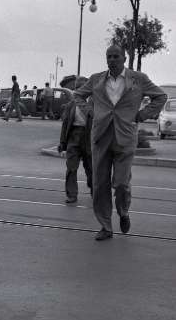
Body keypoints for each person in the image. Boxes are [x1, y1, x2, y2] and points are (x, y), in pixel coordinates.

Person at [75, 45, 167, 241]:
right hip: (101, 137)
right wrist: (91, 111)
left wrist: (142, 115)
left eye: (116, 56)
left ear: (124, 58)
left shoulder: (138, 79)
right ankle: (105, 225)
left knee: (121, 183)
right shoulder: (96, 79)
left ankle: (123, 212)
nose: (112, 60)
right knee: (100, 184)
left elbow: (160, 96)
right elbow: (78, 95)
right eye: (109, 56)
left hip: (125, 136)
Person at [58, 76, 92, 204]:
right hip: (74, 137)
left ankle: (94, 190)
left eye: (82, 88)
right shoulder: (71, 105)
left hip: (89, 138)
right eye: (77, 88)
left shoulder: (94, 104)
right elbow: (65, 125)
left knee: (91, 168)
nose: (79, 90)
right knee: (71, 167)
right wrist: (62, 143)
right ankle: (71, 194)